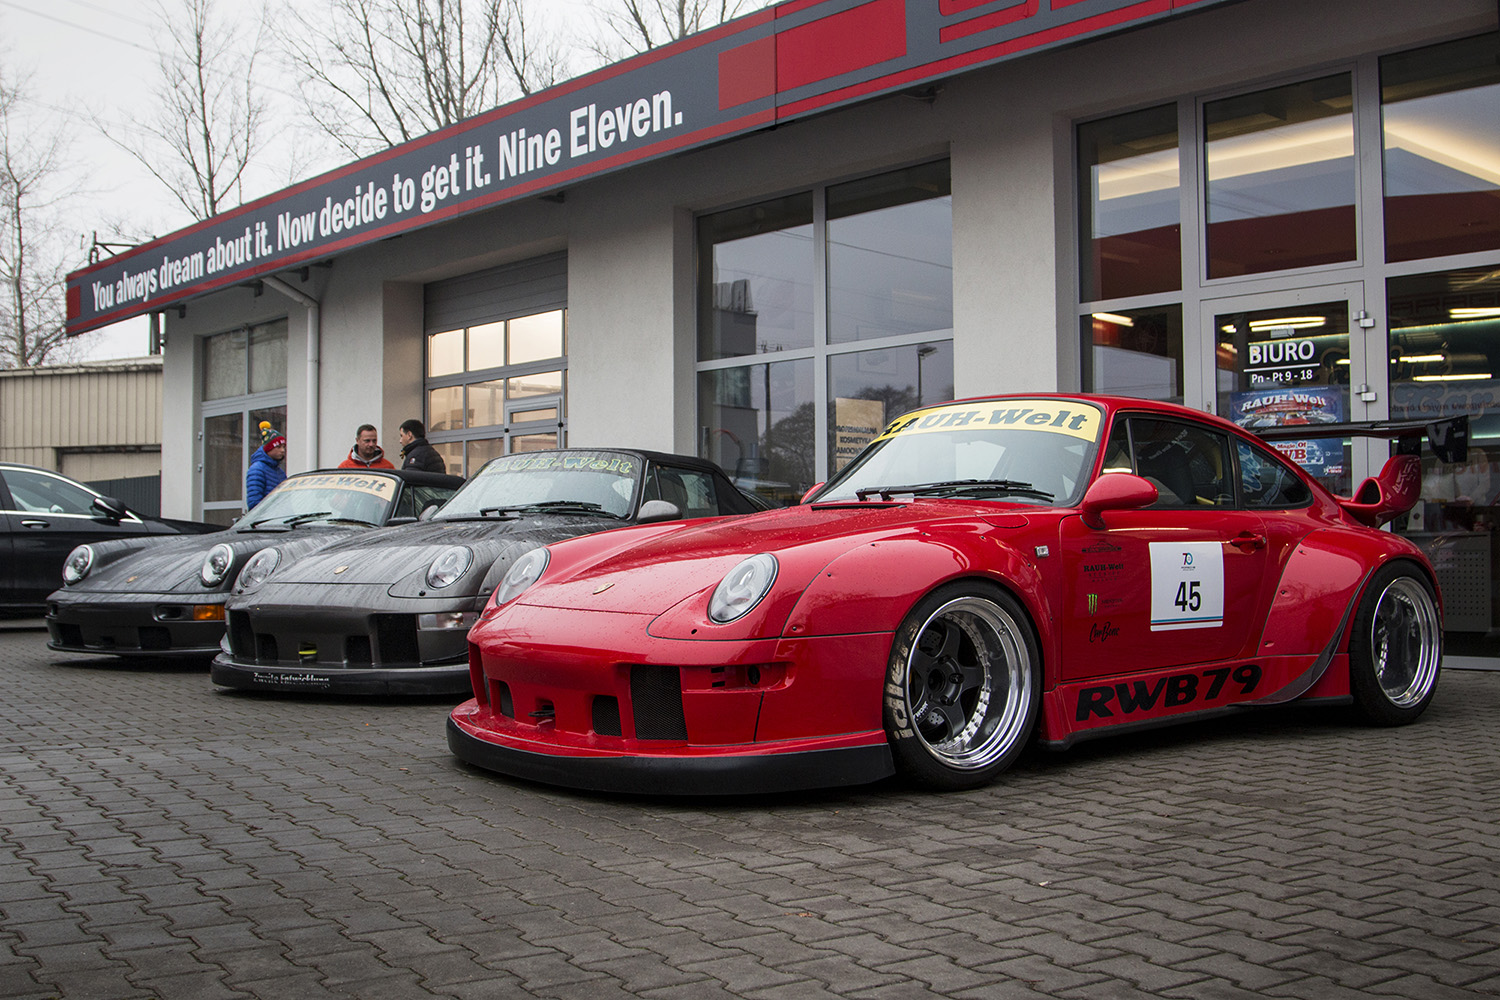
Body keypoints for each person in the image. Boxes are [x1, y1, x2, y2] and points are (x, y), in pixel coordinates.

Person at [246, 421, 287, 509]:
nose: (282, 450)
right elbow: (254, 502)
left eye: (284, 447)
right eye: (278, 447)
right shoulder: (257, 469)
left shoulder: (280, 472)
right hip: (266, 520)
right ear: (269, 448)